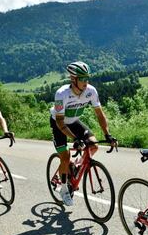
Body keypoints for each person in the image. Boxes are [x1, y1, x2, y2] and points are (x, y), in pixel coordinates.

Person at [50, 61, 117, 206]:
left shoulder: (91, 91)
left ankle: (75, 167)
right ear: (73, 79)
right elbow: (61, 123)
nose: (86, 82)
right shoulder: (62, 94)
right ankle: (63, 188)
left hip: (74, 121)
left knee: (93, 145)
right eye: (82, 79)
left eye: (87, 78)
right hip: (58, 124)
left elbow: (100, 115)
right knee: (65, 157)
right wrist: (75, 139)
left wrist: (107, 135)